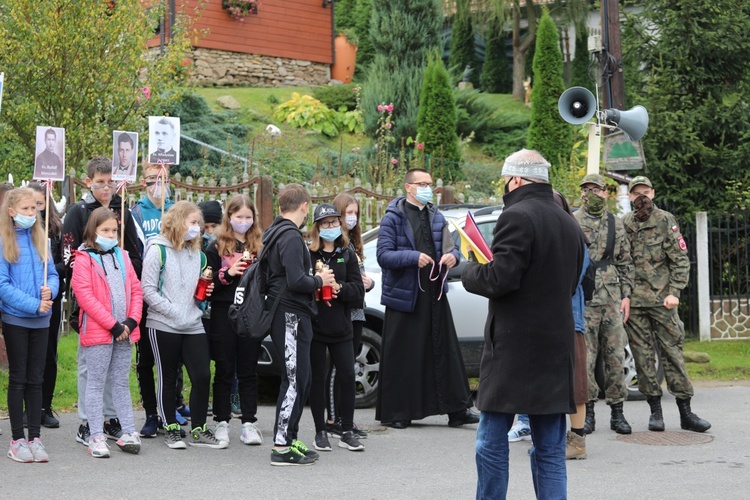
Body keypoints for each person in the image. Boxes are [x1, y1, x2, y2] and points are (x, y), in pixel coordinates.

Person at [461, 149, 585, 499]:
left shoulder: (516, 215)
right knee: (549, 448)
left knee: (490, 441)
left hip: (514, 350)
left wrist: (469, 271)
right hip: (555, 348)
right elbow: (574, 281)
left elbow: (501, 279)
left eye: (505, 181)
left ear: (515, 179)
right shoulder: (568, 222)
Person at [375, 168, 477, 429]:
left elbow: (454, 248)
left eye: (430, 184)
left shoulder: (436, 214)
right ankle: (399, 412)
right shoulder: (393, 217)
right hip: (405, 295)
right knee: (405, 355)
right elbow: (383, 256)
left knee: (445, 351)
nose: (428, 188)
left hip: (434, 292)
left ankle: (457, 410)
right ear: (408, 187)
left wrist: (453, 256)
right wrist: (413, 257)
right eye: (423, 184)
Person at [61, 156, 142, 446]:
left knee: (116, 370)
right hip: (90, 304)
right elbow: (68, 255)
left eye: (110, 183)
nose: (106, 189)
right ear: (88, 182)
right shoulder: (78, 211)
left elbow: (133, 251)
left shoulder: (123, 209)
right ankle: (87, 422)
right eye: (100, 184)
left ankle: (110, 419)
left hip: (121, 304)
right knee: (90, 368)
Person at [623, 176, 710, 433]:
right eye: (637, 193)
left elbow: (680, 260)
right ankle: (655, 413)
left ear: (653, 192)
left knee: (673, 355)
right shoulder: (625, 224)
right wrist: (624, 296)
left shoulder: (665, 220)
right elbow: (622, 264)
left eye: (646, 192)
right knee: (643, 358)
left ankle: (686, 413)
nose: (642, 197)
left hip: (663, 302)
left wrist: (675, 292)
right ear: (629, 197)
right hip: (636, 304)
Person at [141, 201, 226, 449]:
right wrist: (173, 311)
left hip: (192, 324)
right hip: (163, 323)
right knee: (168, 377)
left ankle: (198, 428)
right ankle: (170, 427)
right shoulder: (158, 250)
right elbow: (148, 290)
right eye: (192, 223)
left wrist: (203, 298)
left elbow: (199, 292)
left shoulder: (199, 255)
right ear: (178, 222)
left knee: (202, 375)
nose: (197, 228)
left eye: (198, 224)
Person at [264, 183, 335, 466]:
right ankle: (281, 446)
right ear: (304, 206)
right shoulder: (290, 236)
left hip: (291, 315)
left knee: (301, 379)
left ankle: (290, 436)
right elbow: (296, 281)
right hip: (290, 316)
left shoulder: (275, 232)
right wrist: (321, 281)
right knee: (294, 381)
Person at [71, 208, 143, 457]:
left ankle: (129, 431)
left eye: (114, 230)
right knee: (96, 383)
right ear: (93, 231)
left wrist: (132, 322)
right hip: (101, 332)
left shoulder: (123, 256)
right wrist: (113, 325)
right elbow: (85, 297)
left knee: (121, 383)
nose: (111, 235)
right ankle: (95, 435)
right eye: (105, 230)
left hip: (125, 332)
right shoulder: (83, 258)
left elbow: (135, 289)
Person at [0, 187, 59, 463]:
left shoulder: (41, 239)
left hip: (42, 320)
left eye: (33, 209)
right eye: (25, 209)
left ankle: (35, 438)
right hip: (16, 318)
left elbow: (54, 275)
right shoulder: (3, 241)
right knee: (19, 378)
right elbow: (3, 286)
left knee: (37, 380)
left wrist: (51, 292)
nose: (30, 213)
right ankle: (16, 440)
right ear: (12, 211)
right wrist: (33, 304)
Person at [130, 163, 189, 436]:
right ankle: (151, 413)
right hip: (147, 292)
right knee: (145, 361)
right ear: (143, 182)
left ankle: (172, 406)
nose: (158, 183)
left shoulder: (175, 210)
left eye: (162, 178)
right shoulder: (137, 212)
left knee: (173, 358)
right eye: (153, 179)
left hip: (175, 293)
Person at [573, 173, 634, 436]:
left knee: (615, 357)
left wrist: (627, 296)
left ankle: (618, 413)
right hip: (584, 298)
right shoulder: (572, 221)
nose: (591, 194)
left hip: (611, 298)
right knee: (585, 360)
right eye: (586, 190)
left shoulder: (615, 223)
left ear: (605, 193)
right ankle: (589, 415)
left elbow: (625, 262)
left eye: (596, 190)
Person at [205, 194, 264, 446]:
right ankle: (221, 421)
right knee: (225, 369)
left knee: (249, 370)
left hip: (251, 315)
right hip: (223, 313)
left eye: (248, 217)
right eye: (239, 217)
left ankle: (249, 423)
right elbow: (208, 285)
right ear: (229, 217)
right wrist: (228, 272)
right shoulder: (216, 245)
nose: (243, 221)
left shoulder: (261, 245)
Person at [307, 203, 365, 452]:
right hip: (316, 326)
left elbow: (358, 290)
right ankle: (320, 430)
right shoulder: (308, 254)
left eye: (333, 222)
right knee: (317, 379)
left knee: (347, 376)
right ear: (317, 227)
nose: (330, 227)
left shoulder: (347, 253)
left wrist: (339, 287)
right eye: (325, 223)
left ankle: (347, 430)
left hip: (342, 327)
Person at [326, 193, 375, 439]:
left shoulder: (354, 244)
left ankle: (347, 419)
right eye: (348, 213)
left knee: (348, 368)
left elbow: (360, 277)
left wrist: (369, 283)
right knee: (338, 368)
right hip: (343, 312)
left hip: (357, 310)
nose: (352, 218)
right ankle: (334, 419)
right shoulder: (337, 246)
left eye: (355, 213)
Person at [28, 182, 66, 429]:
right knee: (27, 356)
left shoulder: (57, 230)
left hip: (50, 298)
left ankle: (45, 405)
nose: (37, 210)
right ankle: (27, 406)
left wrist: (50, 277)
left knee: (48, 353)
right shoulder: (18, 231)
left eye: (40, 204)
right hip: (26, 301)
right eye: (32, 205)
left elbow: (67, 263)